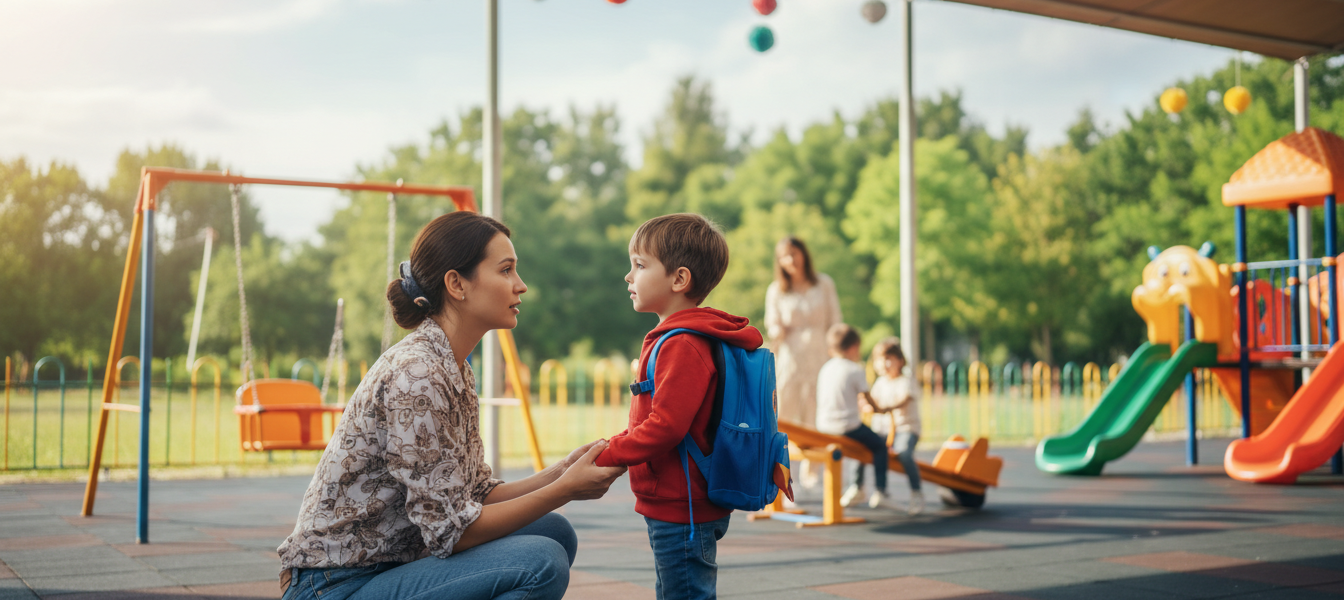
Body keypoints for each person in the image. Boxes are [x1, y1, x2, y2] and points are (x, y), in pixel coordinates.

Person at [277, 212, 626, 600]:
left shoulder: (452, 367)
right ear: (457, 284)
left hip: (392, 568)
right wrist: (564, 490)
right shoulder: (418, 375)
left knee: (554, 531)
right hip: (336, 585)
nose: (521, 285)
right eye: (506, 270)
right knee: (540, 562)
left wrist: (561, 473)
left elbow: (475, 494)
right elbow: (450, 531)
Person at [594, 213, 763, 600]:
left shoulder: (682, 344)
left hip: (682, 504)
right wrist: (610, 444)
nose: (628, 276)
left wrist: (608, 455)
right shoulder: (680, 337)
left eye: (640, 265)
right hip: (680, 499)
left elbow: (666, 426)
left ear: (679, 279)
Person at [764, 237, 842, 488]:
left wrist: (838, 353)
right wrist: (777, 330)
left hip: (820, 354)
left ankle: (812, 472)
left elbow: (835, 320)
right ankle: (782, 474)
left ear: (804, 254)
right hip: (790, 358)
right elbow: (771, 322)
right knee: (784, 412)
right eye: (784, 256)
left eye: (794, 253)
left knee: (817, 411)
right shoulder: (776, 290)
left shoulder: (824, 284)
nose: (791, 260)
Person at [815, 323, 895, 510]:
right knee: (879, 446)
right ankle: (881, 491)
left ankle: (857, 487)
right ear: (853, 348)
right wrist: (881, 410)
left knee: (861, 444)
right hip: (846, 427)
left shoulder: (826, 368)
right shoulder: (855, 369)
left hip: (823, 425)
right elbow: (869, 399)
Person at [867, 337, 924, 515]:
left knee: (904, 453)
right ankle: (864, 488)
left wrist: (885, 408)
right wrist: (866, 405)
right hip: (884, 430)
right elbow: (871, 402)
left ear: (900, 361)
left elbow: (904, 399)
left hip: (905, 428)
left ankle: (916, 492)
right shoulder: (880, 383)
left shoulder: (905, 381)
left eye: (889, 359)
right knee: (861, 448)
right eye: (880, 360)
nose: (884, 364)